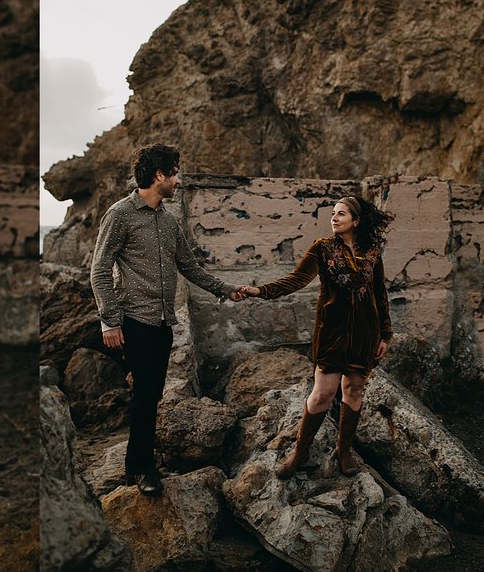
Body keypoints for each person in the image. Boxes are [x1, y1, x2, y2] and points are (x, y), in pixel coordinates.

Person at [90, 143, 245, 496]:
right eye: (174, 172)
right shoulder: (120, 215)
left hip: (163, 322)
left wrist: (227, 289)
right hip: (133, 319)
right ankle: (141, 470)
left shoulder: (168, 221)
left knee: (152, 393)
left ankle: (139, 465)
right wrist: (109, 321)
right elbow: (99, 270)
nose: (179, 179)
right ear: (159, 175)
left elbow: (189, 266)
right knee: (145, 393)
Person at [238, 195, 394, 479]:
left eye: (341, 214)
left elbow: (379, 294)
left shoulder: (372, 253)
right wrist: (260, 291)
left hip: (364, 334)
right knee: (323, 393)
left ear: (356, 222)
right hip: (331, 332)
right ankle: (300, 453)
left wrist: (385, 334)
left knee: (354, 390)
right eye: (333, 213)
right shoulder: (322, 249)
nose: (334, 218)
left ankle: (343, 452)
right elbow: (296, 280)